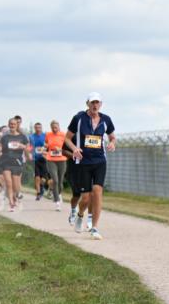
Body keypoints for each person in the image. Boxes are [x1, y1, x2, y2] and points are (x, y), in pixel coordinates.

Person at [66, 92, 116, 239]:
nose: (95, 105)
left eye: (97, 102)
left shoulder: (106, 119)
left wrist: (112, 143)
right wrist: (74, 149)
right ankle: (80, 215)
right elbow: (67, 138)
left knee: (97, 192)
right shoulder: (79, 118)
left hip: (100, 161)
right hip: (83, 162)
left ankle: (94, 227)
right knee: (86, 198)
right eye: (92, 102)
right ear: (87, 103)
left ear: (101, 104)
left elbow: (112, 136)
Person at [0, 117, 29, 212]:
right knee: (8, 183)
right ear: (8, 125)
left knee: (15, 185)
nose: (12, 126)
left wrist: (22, 146)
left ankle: (15, 198)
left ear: (17, 125)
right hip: (6, 162)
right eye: (11, 124)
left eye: (14, 124)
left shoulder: (22, 137)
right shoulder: (4, 137)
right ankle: (11, 203)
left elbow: (28, 148)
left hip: (17, 162)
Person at [43, 120, 68, 211]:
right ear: (51, 128)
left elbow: (67, 147)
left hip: (62, 160)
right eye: (53, 127)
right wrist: (44, 149)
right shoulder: (48, 135)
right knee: (55, 180)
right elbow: (46, 145)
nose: (54, 129)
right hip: (51, 160)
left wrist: (60, 149)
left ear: (59, 127)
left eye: (56, 127)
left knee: (60, 182)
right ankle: (57, 202)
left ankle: (59, 194)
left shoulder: (63, 135)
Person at [29, 122, 49, 200]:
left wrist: (46, 148)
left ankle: (41, 187)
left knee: (43, 179)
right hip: (35, 159)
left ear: (41, 128)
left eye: (39, 127)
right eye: (36, 127)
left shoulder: (45, 136)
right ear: (34, 128)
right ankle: (38, 193)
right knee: (37, 177)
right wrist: (30, 153)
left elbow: (49, 146)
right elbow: (29, 146)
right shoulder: (31, 137)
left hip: (44, 158)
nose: (38, 129)